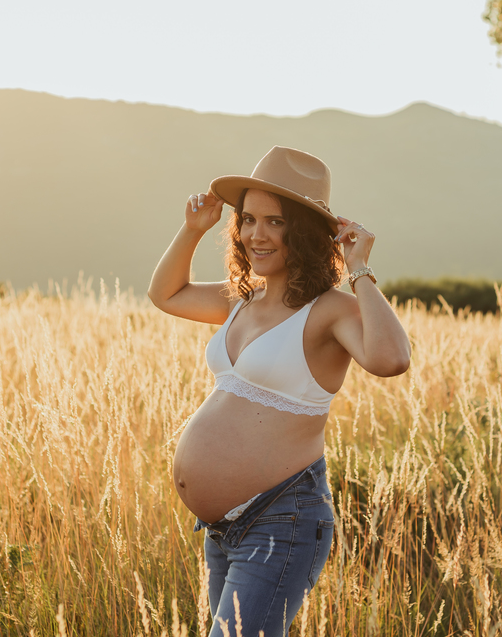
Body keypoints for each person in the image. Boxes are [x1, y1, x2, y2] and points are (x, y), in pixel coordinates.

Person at [148, 145, 411, 637]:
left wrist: (359, 270)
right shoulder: (243, 299)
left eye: (274, 221)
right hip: (223, 530)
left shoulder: (330, 310)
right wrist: (191, 230)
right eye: (247, 220)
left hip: (280, 520)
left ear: (306, 232)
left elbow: (391, 359)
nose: (255, 234)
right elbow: (167, 295)